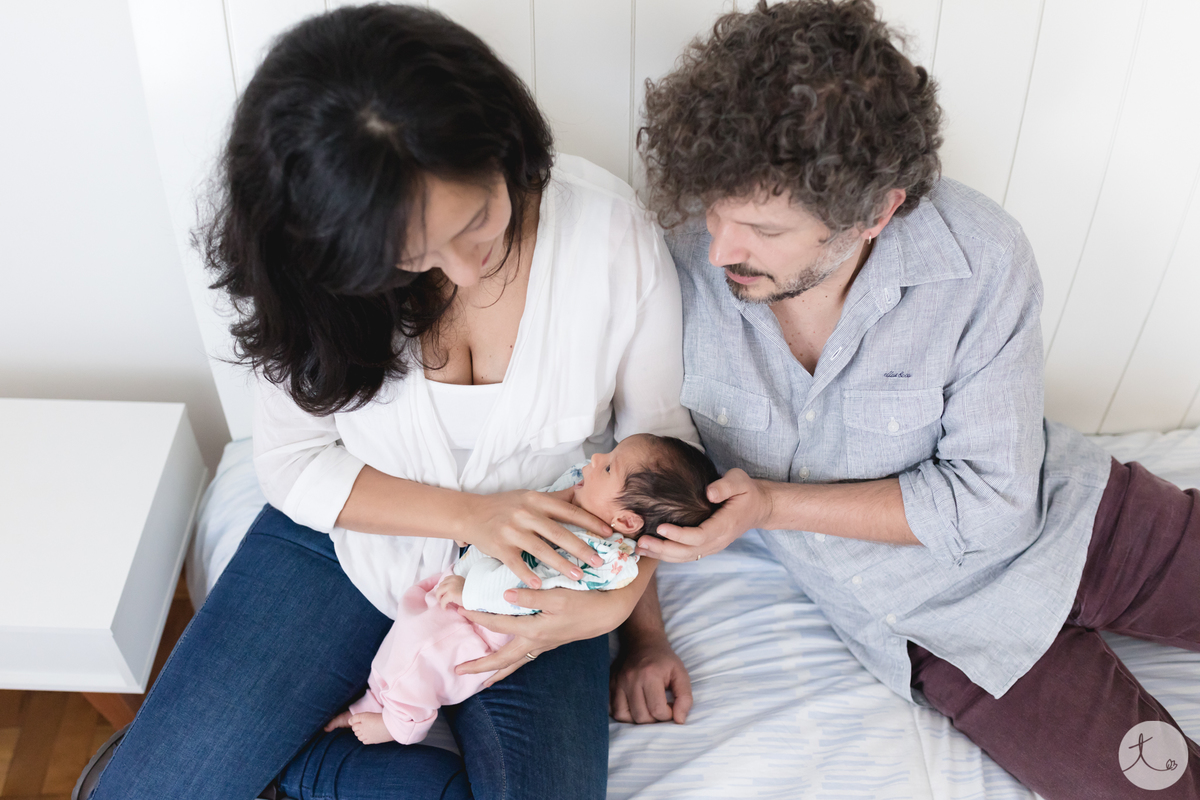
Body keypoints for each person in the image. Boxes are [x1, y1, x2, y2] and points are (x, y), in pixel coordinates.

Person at [80, 5, 696, 800]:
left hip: (544, 570)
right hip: (342, 538)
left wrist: (624, 622)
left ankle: (301, 772)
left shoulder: (611, 240)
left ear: (500, 144)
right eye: (408, 259)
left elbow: (657, 455)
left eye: (477, 221)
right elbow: (295, 463)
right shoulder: (317, 276)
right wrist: (473, 517)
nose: (466, 273)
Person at [620, 1, 1200, 798]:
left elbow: (997, 506)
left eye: (761, 227)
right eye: (715, 213)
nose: (720, 249)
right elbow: (620, 458)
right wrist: (642, 638)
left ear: (875, 212)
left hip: (1092, 524)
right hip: (942, 631)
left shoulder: (980, 256)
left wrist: (773, 506)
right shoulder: (671, 268)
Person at [327, 434, 720, 746]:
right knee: (400, 646)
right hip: (461, 579)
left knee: (418, 654)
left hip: (481, 623)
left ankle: (402, 723)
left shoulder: (594, 556)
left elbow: (523, 587)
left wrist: (469, 592)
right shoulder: (589, 501)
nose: (595, 460)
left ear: (626, 520)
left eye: (608, 467)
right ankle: (370, 705)